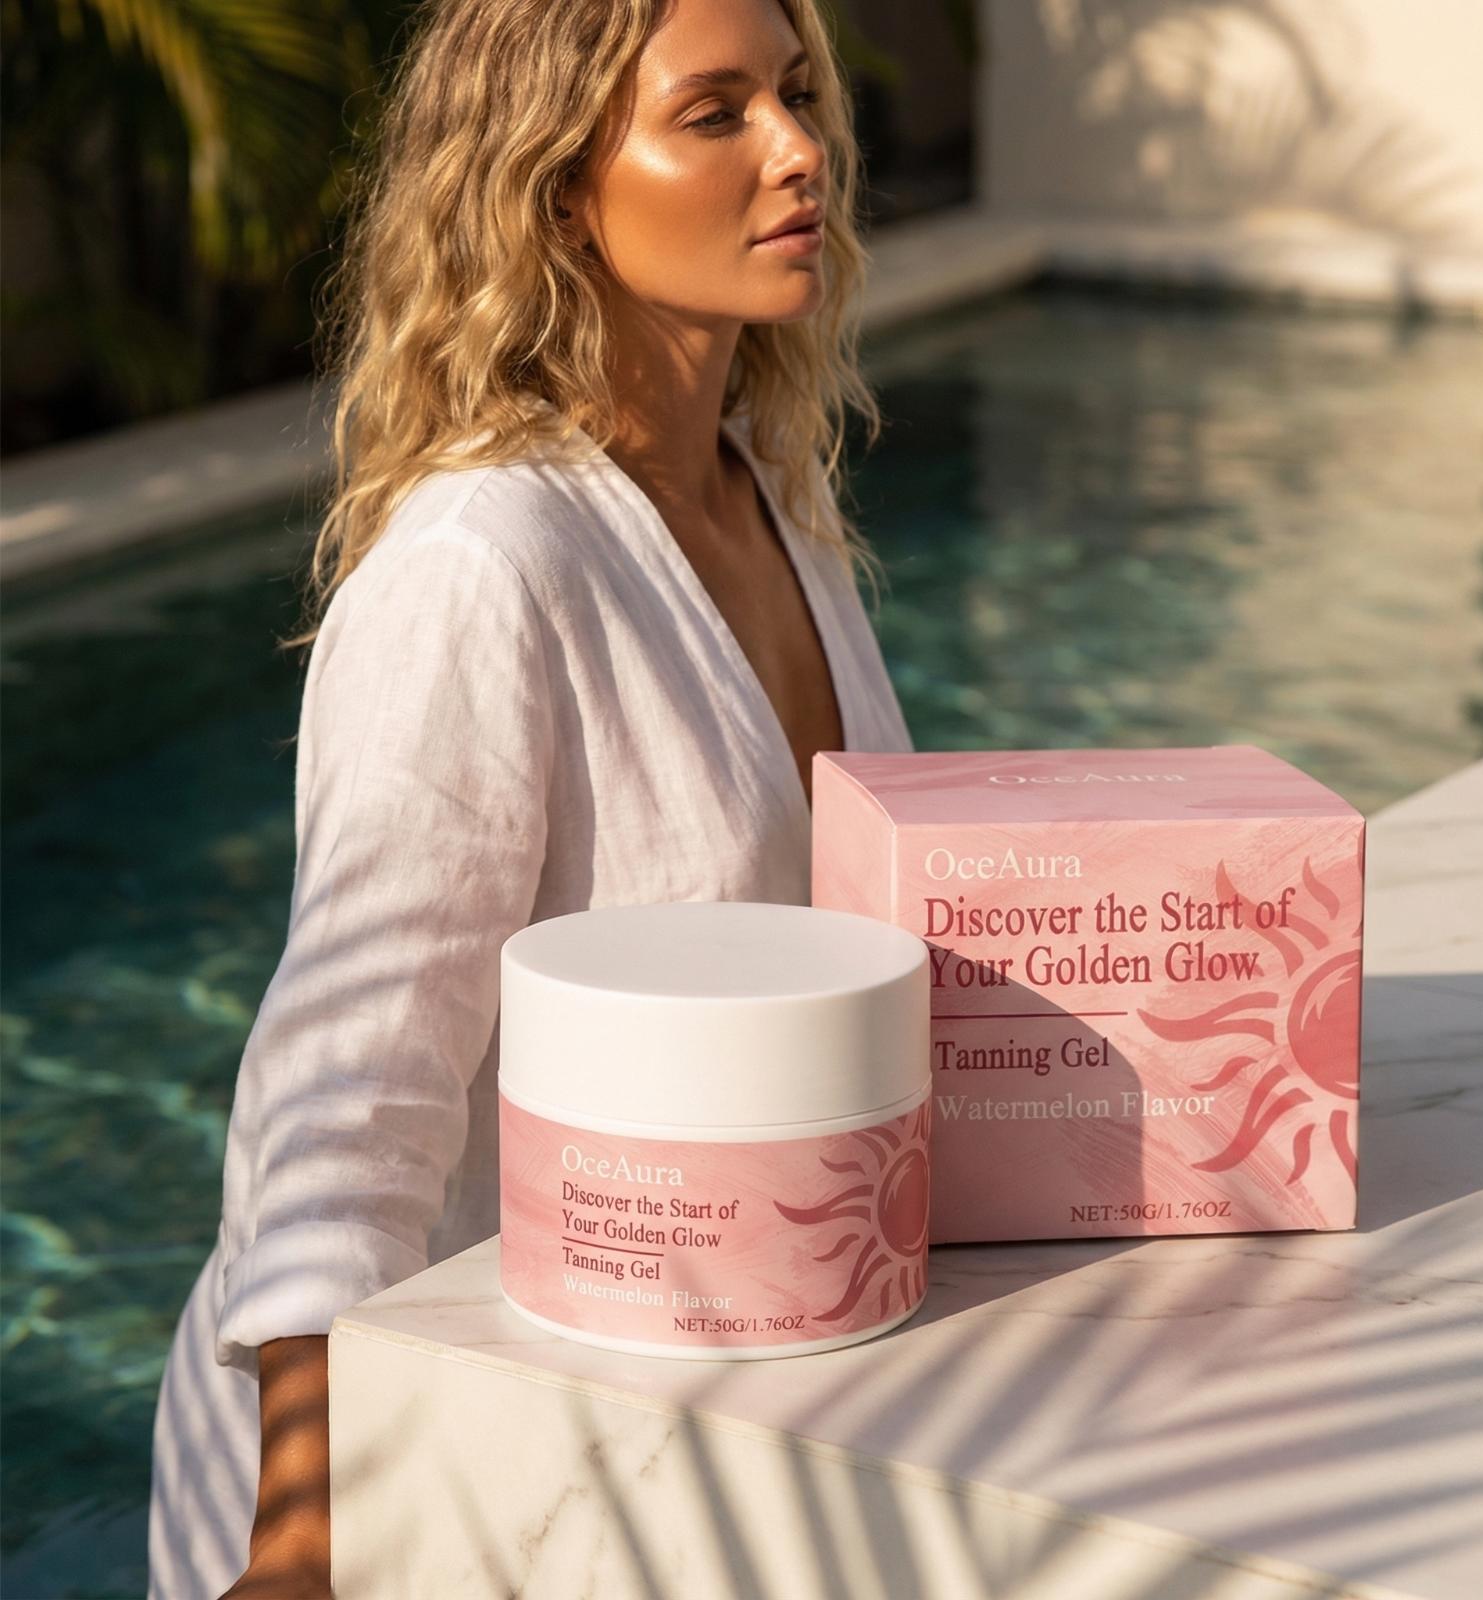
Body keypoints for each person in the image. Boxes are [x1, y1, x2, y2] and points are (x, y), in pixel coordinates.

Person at [144, 0, 913, 1593]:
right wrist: (303, 1537)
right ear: (558, 190)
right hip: (409, 1461)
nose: (800, 150)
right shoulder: (479, 568)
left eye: (794, 93)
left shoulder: (772, 500)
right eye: (715, 113)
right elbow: (345, 1101)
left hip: (662, 1413)